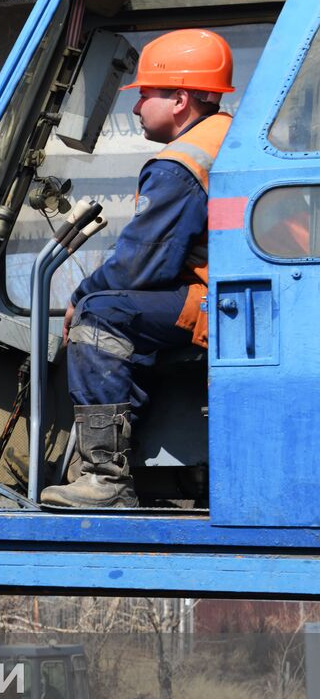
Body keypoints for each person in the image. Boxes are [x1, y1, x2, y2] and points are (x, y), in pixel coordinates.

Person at [41, 28, 235, 509]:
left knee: (101, 316)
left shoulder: (181, 164)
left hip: (222, 303)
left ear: (180, 100)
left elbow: (140, 265)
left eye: (146, 94)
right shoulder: (226, 138)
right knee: (123, 313)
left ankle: (105, 478)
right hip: (237, 295)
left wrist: (81, 295)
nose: (136, 106)